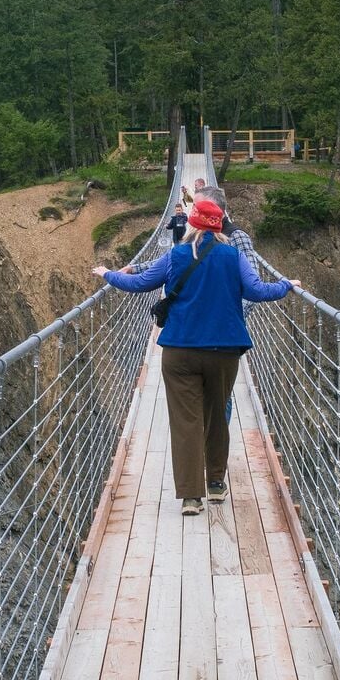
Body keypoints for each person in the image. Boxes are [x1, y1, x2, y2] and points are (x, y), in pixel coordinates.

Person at [94, 198, 300, 516]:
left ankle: (191, 497)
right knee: (217, 416)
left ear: (192, 223)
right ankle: (216, 484)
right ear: (220, 226)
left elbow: (139, 283)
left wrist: (108, 273)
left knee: (186, 423)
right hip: (224, 351)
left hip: (179, 351)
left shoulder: (176, 255)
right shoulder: (233, 257)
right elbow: (258, 291)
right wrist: (286, 285)